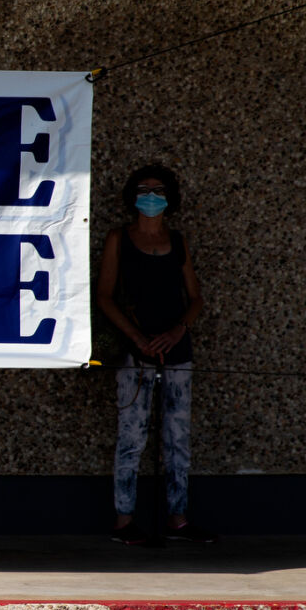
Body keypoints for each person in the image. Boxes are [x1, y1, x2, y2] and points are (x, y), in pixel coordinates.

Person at [95, 163, 216, 546]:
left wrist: (177, 330)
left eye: (158, 189)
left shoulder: (177, 241)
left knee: (177, 435)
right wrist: (136, 337)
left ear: (170, 197)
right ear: (133, 196)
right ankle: (124, 521)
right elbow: (105, 296)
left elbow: (195, 298)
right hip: (136, 353)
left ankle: (178, 519)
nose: (151, 196)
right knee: (132, 435)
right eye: (143, 189)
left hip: (176, 349)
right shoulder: (120, 238)